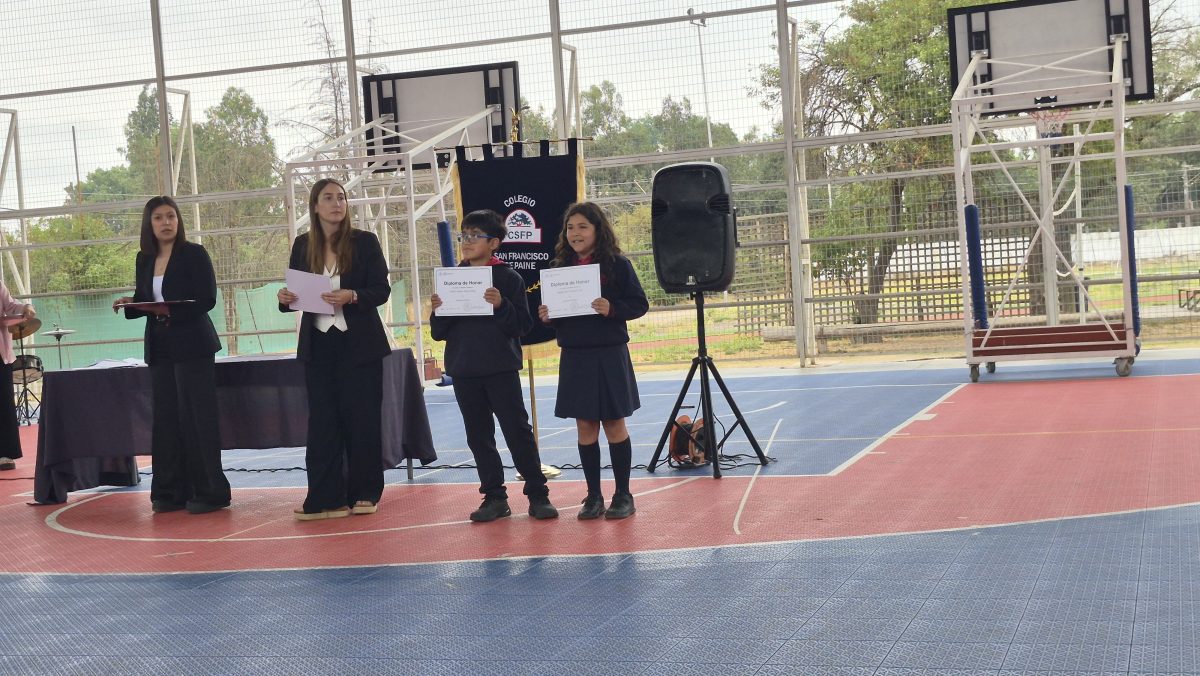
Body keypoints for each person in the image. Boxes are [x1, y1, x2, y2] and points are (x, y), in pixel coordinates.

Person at [430, 209, 559, 522]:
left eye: (475, 236)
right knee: (478, 436)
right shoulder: (452, 278)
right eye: (464, 236)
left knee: (517, 431)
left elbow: (522, 326)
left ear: (495, 243)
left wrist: (501, 305)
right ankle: (494, 497)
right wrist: (438, 311)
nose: (467, 242)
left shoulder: (508, 278)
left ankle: (537, 494)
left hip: (500, 367)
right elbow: (438, 333)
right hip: (463, 369)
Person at [277, 178, 392, 521]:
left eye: (341, 197)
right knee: (323, 423)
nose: (336, 203)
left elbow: (381, 290)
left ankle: (365, 492)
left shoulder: (365, 242)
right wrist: (284, 299)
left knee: (363, 420)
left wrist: (353, 295)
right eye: (328, 198)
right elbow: (295, 293)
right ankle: (325, 497)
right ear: (315, 206)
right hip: (319, 344)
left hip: (359, 344)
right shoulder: (302, 245)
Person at [113, 196, 230, 514]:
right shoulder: (144, 258)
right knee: (166, 420)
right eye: (159, 218)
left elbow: (207, 299)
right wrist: (130, 302)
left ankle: (210, 491)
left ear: (178, 221)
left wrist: (170, 310)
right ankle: (169, 491)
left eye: (171, 217)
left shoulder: (194, 253)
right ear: (149, 224)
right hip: (161, 346)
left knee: (196, 418)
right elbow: (146, 298)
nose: (166, 223)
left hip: (193, 345)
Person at [538, 202, 648, 520]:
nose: (575, 233)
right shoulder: (558, 269)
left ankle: (623, 495)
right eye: (570, 227)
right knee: (585, 426)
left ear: (598, 229)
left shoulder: (618, 265)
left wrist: (611, 308)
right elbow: (557, 315)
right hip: (575, 356)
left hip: (610, 354)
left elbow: (639, 303)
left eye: (583, 226)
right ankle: (593, 497)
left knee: (614, 423)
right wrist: (548, 317)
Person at [0, 284, 36, 471]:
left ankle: (5, 454)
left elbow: (10, 304)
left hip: (1, 353)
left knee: (4, 404)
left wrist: (25, 308)